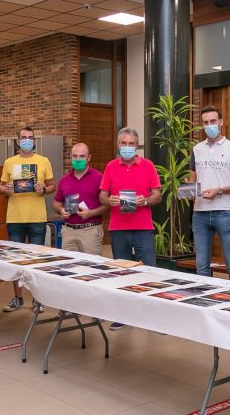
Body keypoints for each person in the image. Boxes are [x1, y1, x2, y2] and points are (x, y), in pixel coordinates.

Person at [99, 127, 162, 330]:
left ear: (137, 146)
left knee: (150, 271)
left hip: (143, 227)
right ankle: (124, 315)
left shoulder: (148, 166)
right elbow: (102, 196)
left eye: (131, 144)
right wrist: (110, 200)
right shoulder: (110, 167)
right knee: (122, 273)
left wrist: (145, 201)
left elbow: (157, 195)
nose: (127, 147)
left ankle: (155, 316)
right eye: (124, 143)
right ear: (118, 145)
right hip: (118, 228)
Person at [0, 126, 55, 312]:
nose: (27, 141)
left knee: (36, 260)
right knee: (16, 260)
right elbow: (1, 186)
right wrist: (5, 189)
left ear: (34, 141)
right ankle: (17, 298)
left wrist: (43, 189)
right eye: (23, 137)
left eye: (30, 138)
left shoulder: (43, 161)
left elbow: (51, 186)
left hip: (37, 217)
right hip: (14, 217)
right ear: (17, 140)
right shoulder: (9, 162)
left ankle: (37, 299)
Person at [190, 105, 230, 281]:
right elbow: (192, 179)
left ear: (221, 122)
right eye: (205, 123)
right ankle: (203, 301)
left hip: (226, 212)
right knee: (201, 265)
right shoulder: (196, 149)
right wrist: (189, 190)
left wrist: (220, 190)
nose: (209, 125)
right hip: (199, 213)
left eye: (213, 121)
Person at [53, 143, 108, 256]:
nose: (78, 159)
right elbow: (56, 202)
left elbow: (108, 205)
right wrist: (61, 210)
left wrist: (90, 213)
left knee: (92, 267)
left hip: (90, 231)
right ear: (71, 157)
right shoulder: (64, 180)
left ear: (89, 157)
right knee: (68, 267)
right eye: (75, 156)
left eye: (82, 156)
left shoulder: (99, 178)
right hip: (68, 231)